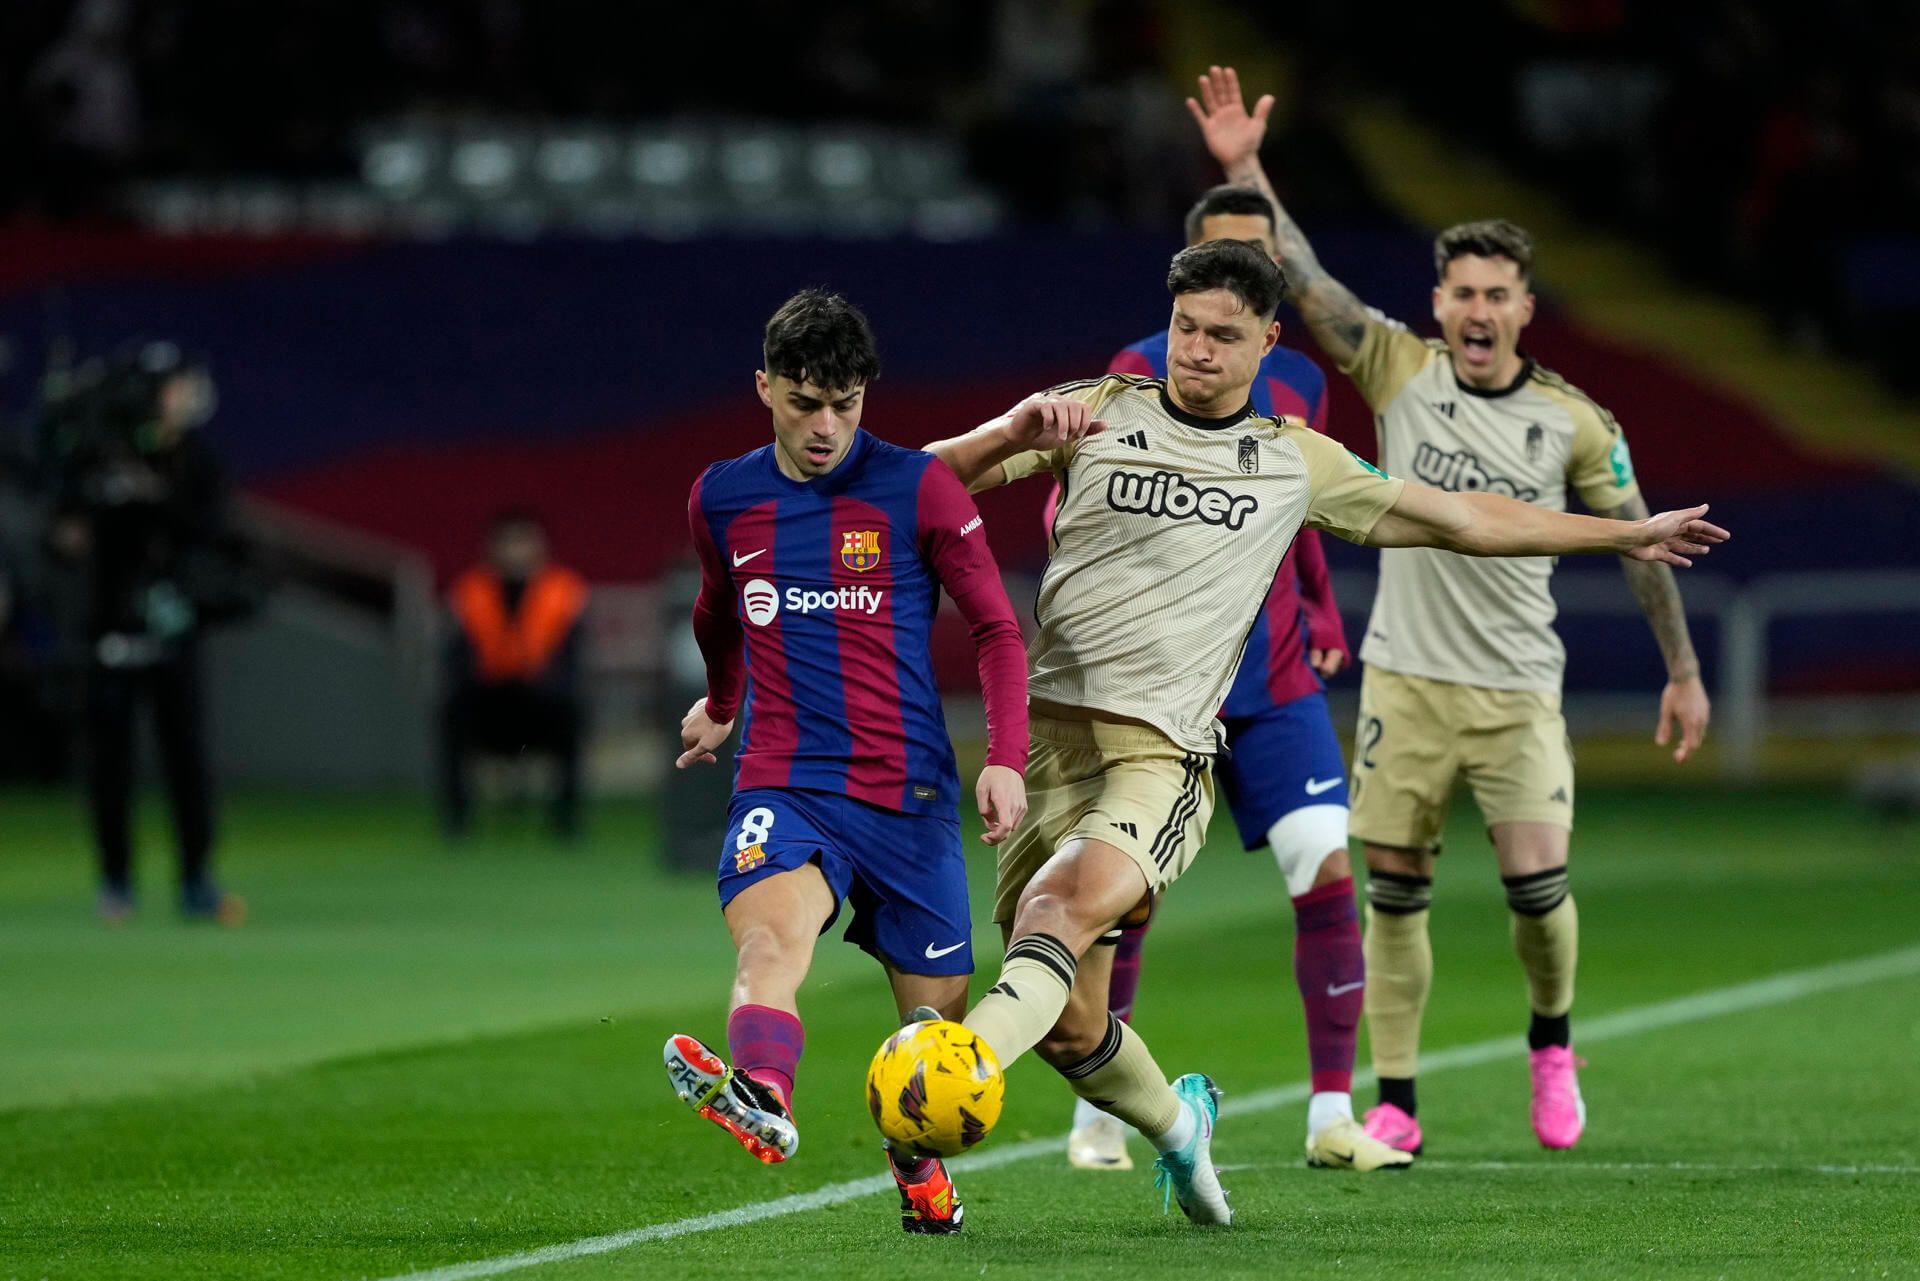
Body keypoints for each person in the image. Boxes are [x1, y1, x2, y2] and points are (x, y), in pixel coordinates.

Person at [924, 237, 1725, 1226]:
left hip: (1159, 759)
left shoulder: (1294, 462)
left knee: (1057, 912)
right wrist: (1007, 433)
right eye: (1184, 328)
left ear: (1268, 342)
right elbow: (923, 485)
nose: (1197, 350)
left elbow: (1465, 519)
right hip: (1049, 748)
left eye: (1223, 335)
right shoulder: (1095, 411)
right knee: (1073, 1026)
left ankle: (949, 1070)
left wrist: (1627, 533)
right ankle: (1181, 1127)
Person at [1182, 65, 1715, 1154]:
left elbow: (1642, 544)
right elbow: (1305, 277)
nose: (1477, 311)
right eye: (1462, 293)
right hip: (1407, 681)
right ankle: (1398, 1099)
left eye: (1496, 294)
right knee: (1395, 895)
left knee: (1537, 889)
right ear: (1439, 303)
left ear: (1524, 307)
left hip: (1518, 686)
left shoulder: (1573, 420)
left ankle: (1552, 1043)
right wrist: (1247, 168)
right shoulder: (1397, 368)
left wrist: (1684, 668)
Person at [661, 290, 1030, 1236]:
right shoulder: (722, 497)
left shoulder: (920, 488)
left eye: (845, 403)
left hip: (910, 799)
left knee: (935, 1047)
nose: (825, 427)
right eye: (804, 403)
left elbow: (996, 628)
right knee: (769, 943)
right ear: (764, 388)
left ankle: (917, 1166)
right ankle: (764, 1092)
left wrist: (1006, 757)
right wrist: (725, 705)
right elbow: (716, 609)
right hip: (788, 781)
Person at [1060, 183, 1407, 1175]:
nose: (1243, 271)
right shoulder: (1138, 372)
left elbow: (1298, 505)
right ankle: (1097, 1117)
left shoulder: (1299, 380)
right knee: (1125, 900)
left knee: (1327, 869)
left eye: (1259, 254)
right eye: (1223, 254)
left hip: (1274, 675)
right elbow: (1087, 499)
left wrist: (1324, 607)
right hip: (1162, 690)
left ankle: (1332, 1117)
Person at [47, 342, 248, 924]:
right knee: (109, 761)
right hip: (110, 627)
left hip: (174, 628)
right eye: (174, 386)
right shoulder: (97, 457)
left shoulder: (198, 461)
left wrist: (151, 493)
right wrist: (88, 509)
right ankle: (115, 881)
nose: (185, 396)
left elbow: (211, 533)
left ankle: (197, 878)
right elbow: (64, 533)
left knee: (187, 756)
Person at [441, 510, 589, 840]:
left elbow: (571, 659)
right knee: (452, 709)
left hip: (542, 700)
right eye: (507, 542)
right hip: (487, 699)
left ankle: (565, 819)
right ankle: (457, 819)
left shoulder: (563, 590)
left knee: (570, 708)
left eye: (523, 541)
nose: (515, 551)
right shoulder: (471, 591)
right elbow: (457, 658)